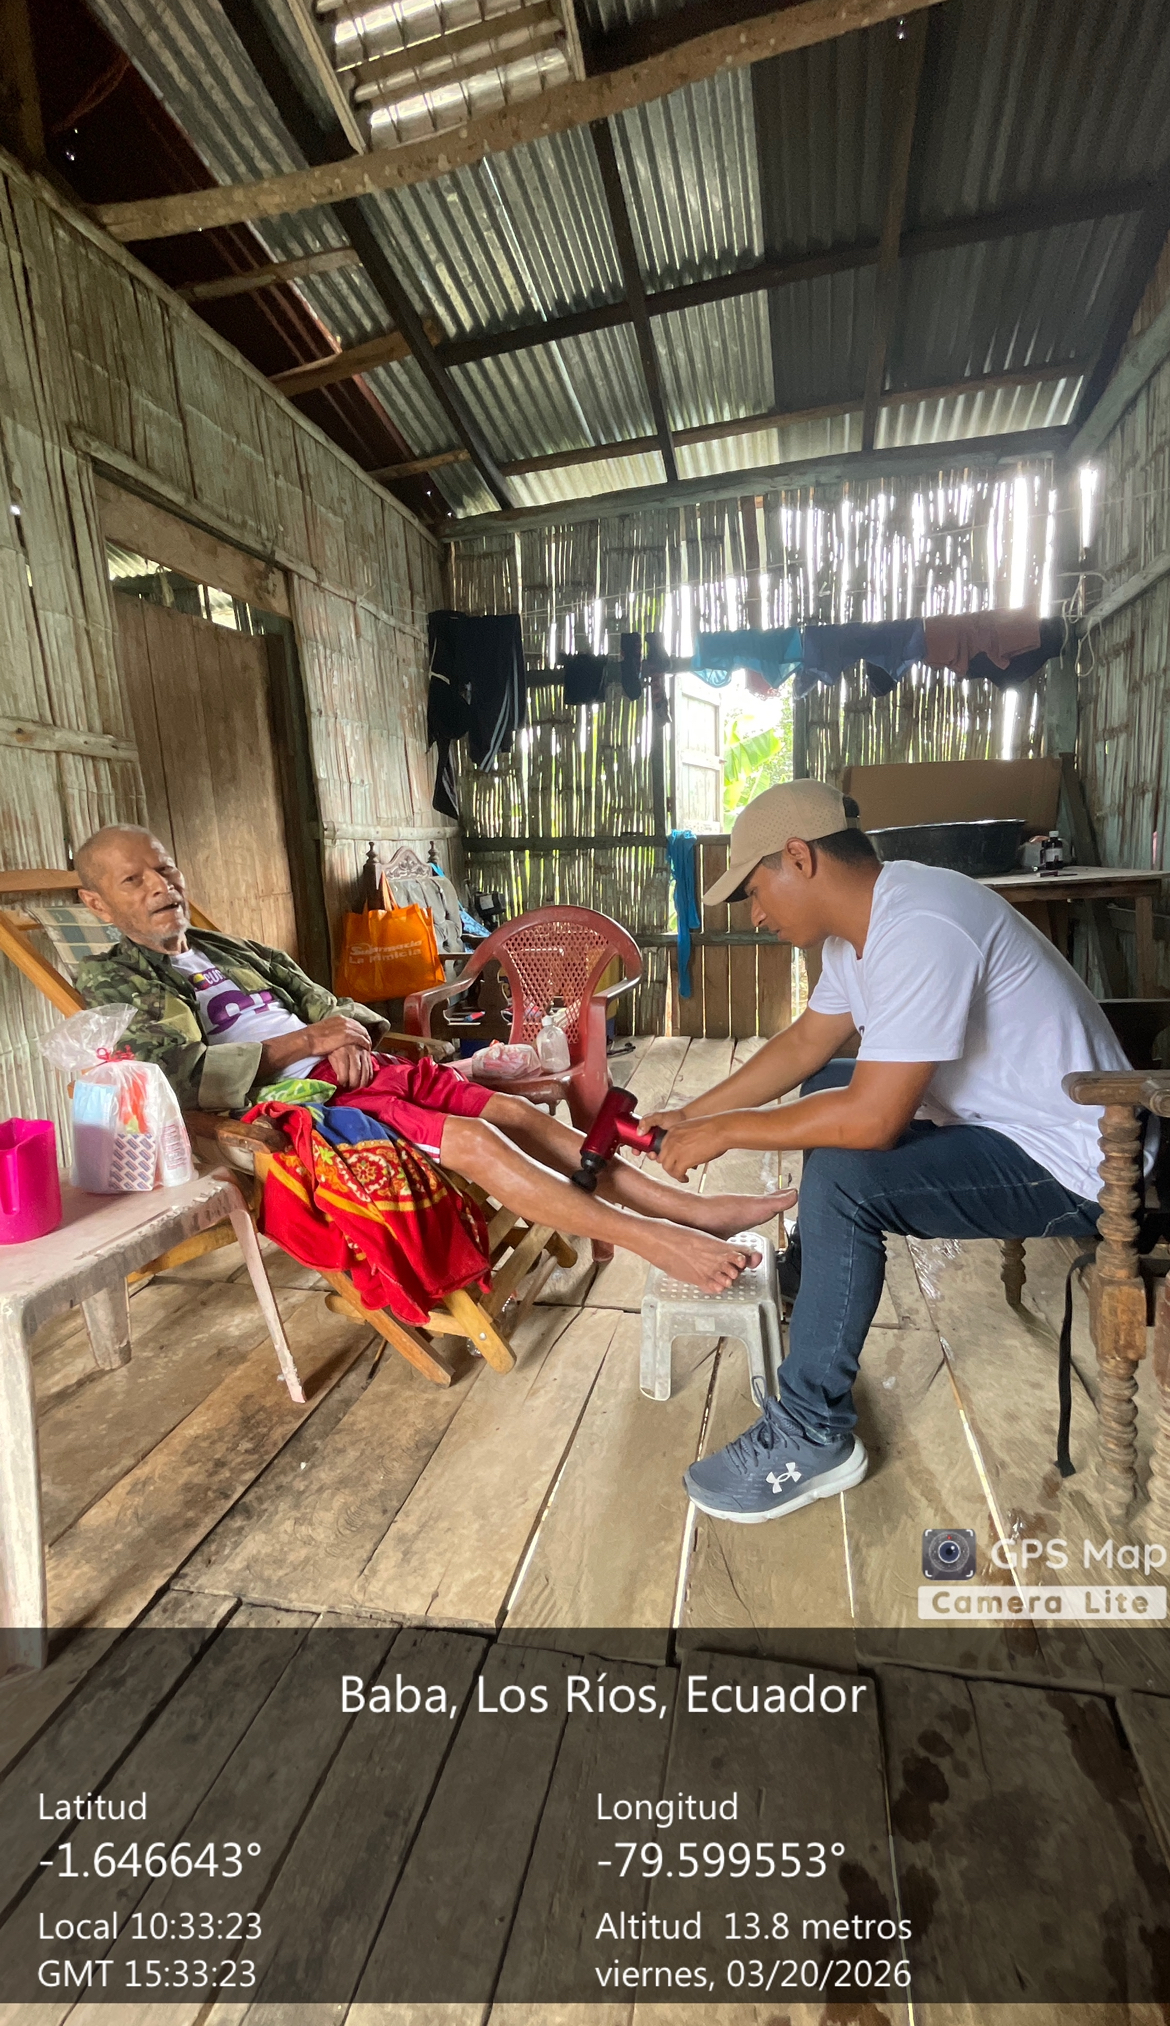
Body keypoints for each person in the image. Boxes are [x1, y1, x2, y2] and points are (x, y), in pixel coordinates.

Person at [642, 780, 1132, 1524]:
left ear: (799, 857)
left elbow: (872, 1122)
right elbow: (806, 1045)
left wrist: (729, 1130)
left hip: (1078, 1165)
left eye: (754, 891)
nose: (756, 914)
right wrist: (693, 1113)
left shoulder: (923, 924)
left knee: (847, 1172)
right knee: (830, 1088)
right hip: (1004, 1127)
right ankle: (816, 1275)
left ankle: (812, 1432)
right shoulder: (866, 929)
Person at [73, 826, 787, 1294]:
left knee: (517, 1113)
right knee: (476, 1139)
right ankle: (656, 1240)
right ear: (97, 904)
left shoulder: (236, 951)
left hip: (352, 1070)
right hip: (295, 1105)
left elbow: (339, 1006)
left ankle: (699, 1213)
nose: (160, 885)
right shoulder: (114, 978)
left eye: (164, 867)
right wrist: (310, 1043)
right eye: (133, 881)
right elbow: (175, 1075)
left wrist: (346, 1037)